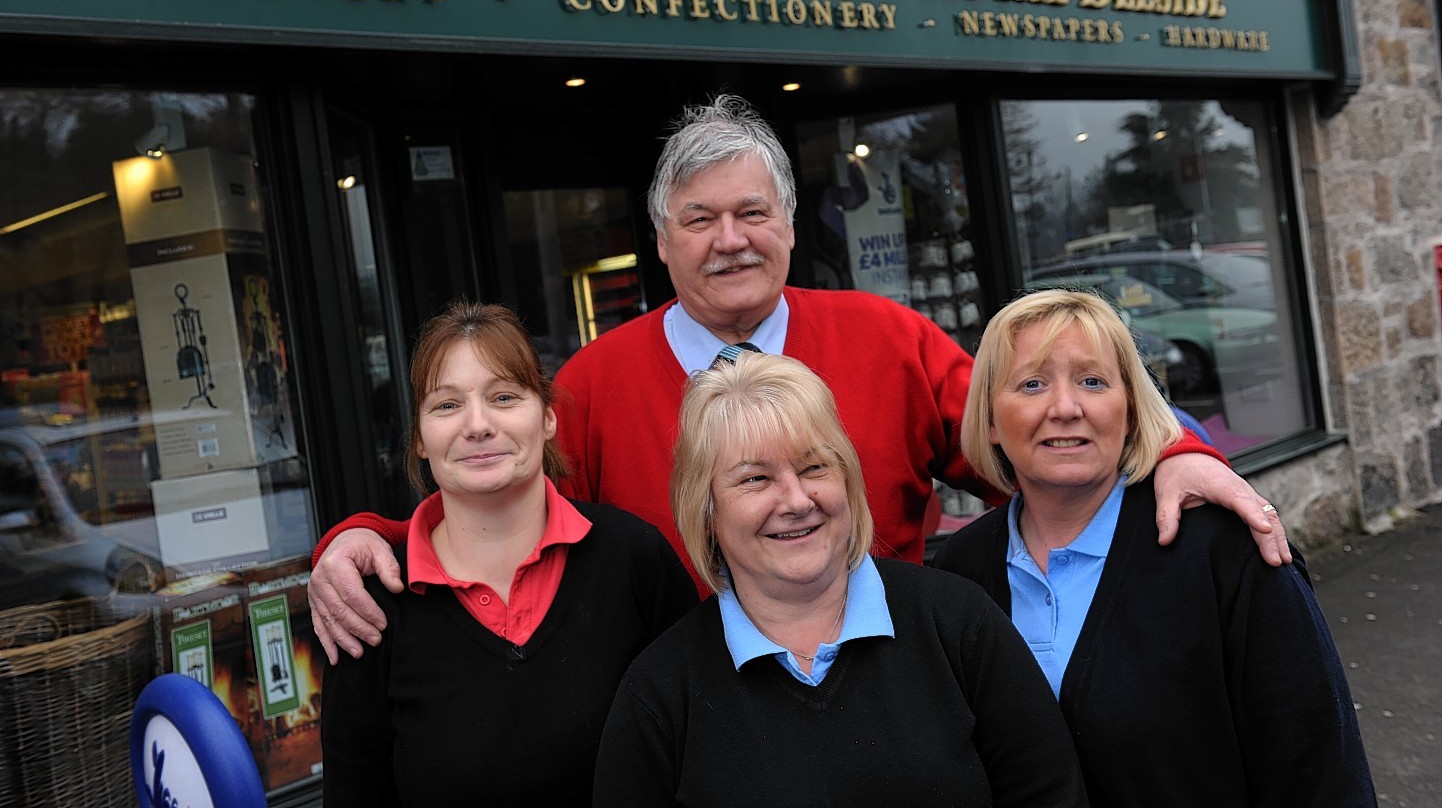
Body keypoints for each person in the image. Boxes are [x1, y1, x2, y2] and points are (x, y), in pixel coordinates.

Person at [308, 93, 1287, 664]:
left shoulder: (888, 338)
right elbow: (503, 516)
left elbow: (1040, 443)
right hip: (691, 725)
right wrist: (369, 538)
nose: (727, 240)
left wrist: (1174, 458)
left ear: (786, 222)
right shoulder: (595, 384)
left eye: (749, 213)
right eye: (698, 220)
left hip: (899, 691)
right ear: (660, 242)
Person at [931, 290, 1375, 807]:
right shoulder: (960, 573)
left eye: (1092, 382)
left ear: (1131, 409)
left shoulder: (1222, 550)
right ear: (989, 421)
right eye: (1032, 384)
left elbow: (1319, 768)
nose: (1066, 408)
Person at [591, 351, 1087, 807]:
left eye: (814, 467)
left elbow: (1049, 794)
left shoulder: (957, 624)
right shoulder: (660, 693)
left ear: (848, 480)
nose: (796, 501)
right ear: (706, 512)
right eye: (755, 479)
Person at [320, 301, 696, 806]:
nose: (477, 425)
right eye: (447, 405)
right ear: (420, 442)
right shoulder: (371, 607)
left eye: (503, 397)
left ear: (547, 419)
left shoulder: (634, 559)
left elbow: (702, 758)